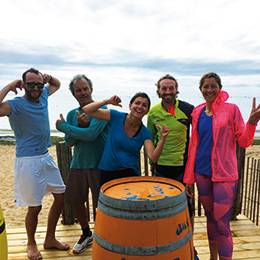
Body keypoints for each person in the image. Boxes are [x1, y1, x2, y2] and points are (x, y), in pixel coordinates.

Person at [184, 72, 260, 260]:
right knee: (210, 220)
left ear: (220, 88)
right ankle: (212, 258)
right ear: (200, 89)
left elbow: (243, 141)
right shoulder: (198, 112)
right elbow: (194, 145)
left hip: (224, 175)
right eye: (205, 86)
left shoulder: (231, 109)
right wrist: (188, 178)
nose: (209, 90)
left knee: (222, 224)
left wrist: (251, 123)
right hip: (201, 172)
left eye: (213, 86)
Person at [0, 68, 70, 260]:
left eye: (39, 84)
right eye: (31, 84)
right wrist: (8, 86)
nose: (36, 88)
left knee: (61, 196)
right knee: (35, 206)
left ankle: (50, 239)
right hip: (28, 161)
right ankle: (31, 244)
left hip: (46, 156)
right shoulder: (16, 104)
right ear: (23, 85)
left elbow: (56, 84)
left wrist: (50, 78)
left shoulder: (44, 94)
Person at [147, 74, 199, 259]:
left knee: (188, 208)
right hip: (161, 168)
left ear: (176, 89)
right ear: (158, 91)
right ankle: (166, 244)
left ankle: (189, 245)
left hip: (183, 168)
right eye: (164, 88)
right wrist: (152, 163)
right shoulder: (152, 113)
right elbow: (150, 140)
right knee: (162, 208)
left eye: (171, 88)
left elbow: (201, 133)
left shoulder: (188, 109)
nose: (168, 92)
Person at [56, 74, 109, 254]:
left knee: (100, 204)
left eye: (85, 88)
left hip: (99, 164)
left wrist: (63, 126)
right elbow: (70, 142)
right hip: (78, 164)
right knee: (76, 201)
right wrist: (77, 125)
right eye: (78, 90)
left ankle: (102, 234)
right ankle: (86, 233)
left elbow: (91, 134)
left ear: (91, 89)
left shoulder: (101, 109)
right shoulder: (72, 114)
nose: (83, 92)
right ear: (74, 94)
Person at [82, 92, 170, 186]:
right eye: (137, 103)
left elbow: (153, 157)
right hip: (107, 172)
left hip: (130, 174)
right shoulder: (116, 117)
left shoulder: (145, 132)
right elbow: (87, 109)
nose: (140, 107)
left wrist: (162, 139)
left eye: (144, 105)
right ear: (130, 106)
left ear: (147, 111)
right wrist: (107, 101)